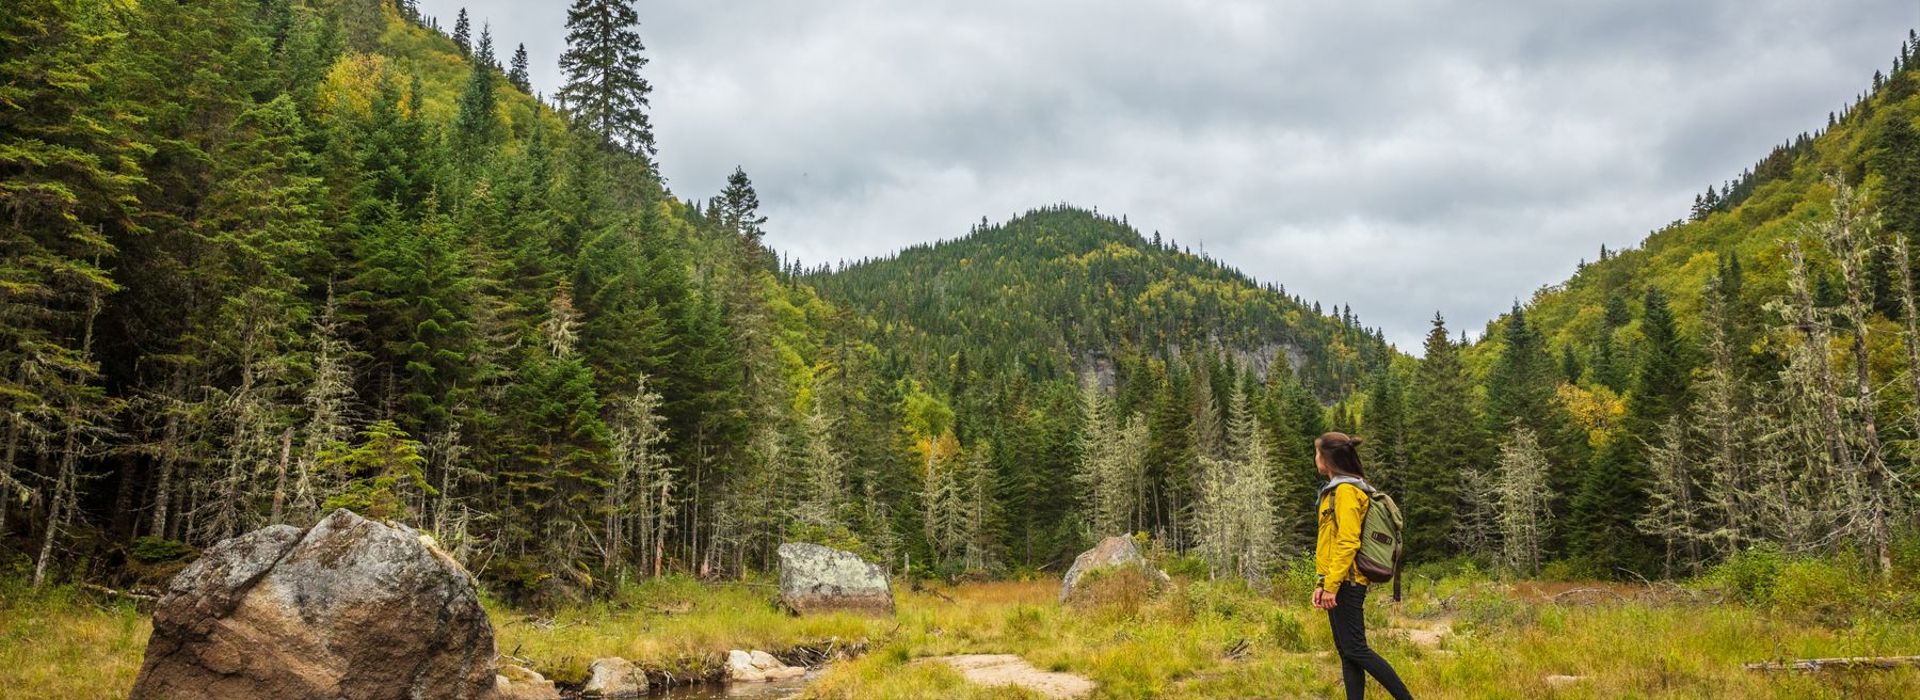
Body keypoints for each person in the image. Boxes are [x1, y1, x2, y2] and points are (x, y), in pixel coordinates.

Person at [1312, 431, 1414, 700]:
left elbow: (1348, 542)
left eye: (1317, 452)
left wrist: (1331, 585)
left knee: (1356, 649)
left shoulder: (1345, 492)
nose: (1315, 458)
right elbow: (1331, 544)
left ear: (1328, 458)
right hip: (1338, 580)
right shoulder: (1338, 489)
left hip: (1347, 582)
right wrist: (1322, 583)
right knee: (1348, 652)